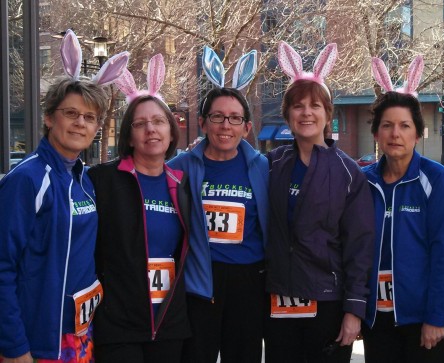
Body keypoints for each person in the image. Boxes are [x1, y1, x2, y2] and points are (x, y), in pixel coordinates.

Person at [0, 29, 128, 363]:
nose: (79, 124)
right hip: (36, 343)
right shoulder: (27, 180)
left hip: (78, 337)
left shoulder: (84, 179)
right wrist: (14, 348)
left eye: (89, 117)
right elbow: (2, 267)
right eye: (71, 113)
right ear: (49, 117)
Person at [263, 41, 374, 363]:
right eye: (298, 105)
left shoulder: (348, 173)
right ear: (287, 115)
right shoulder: (271, 164)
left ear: (328, 114)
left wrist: (354, 309)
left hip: (328, 300)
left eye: (315, 105)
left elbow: (360, 246)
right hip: (278, 297)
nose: (306, 112)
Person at [168, 46, 268, 363]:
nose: (226, 125)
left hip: (248, 282)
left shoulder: (263, 168)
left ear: (246, 127)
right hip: (199, 283)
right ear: (203, 122)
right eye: (218, 117)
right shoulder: (181, 167)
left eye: (235, 118)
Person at [88, 55, 191, 363]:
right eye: (141, 123)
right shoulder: (102, 180)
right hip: (119, 326)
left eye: (159, 122)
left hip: (168, 326)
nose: (151, 129)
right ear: (129, 136)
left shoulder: (182, 185)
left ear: (172, 132)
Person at [361, 56, 444, 363]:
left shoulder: (436, 179)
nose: (395, 134)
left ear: (418, 134)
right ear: (376, 134)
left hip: (426, 321)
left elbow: (443, 252)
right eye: (387, 126)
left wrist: (435, 316)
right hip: (379, 320)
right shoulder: (363, 182)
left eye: (405, 126)